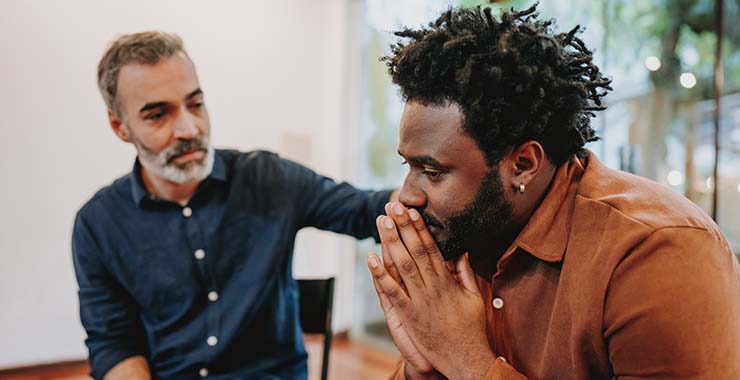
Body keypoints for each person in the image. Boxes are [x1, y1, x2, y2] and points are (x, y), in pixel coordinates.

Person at [366, 5, 740, 380]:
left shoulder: (657, 253)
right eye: (408, 166)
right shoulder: (469, 235)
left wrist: (467, 361)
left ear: (523, 164)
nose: (405, 197)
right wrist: (423, 370)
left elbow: (463, 356)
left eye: (431, 171)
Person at [72, 31, 394, 380]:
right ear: (120, 126)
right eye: (157, 115)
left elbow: (368, 211)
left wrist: (438, 180)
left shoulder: (268, 178)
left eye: (195, 104)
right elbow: (114, 344)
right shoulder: (98, 224)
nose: (188, 128)